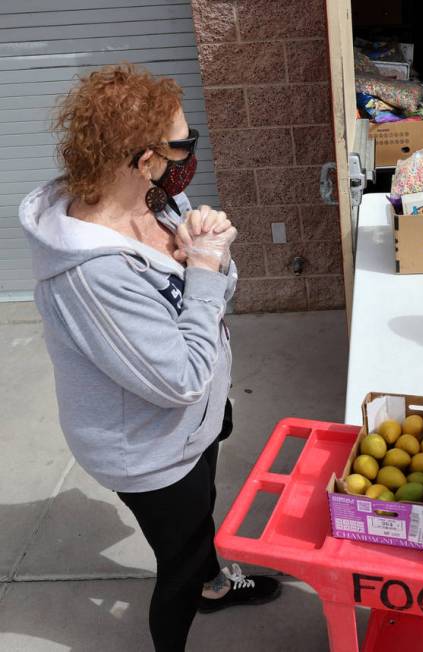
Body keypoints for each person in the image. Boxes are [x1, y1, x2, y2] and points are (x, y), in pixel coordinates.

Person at [19, 64, 280, 651]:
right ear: (142, 159)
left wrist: (210, 255)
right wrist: (207, 268)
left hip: (191, 426)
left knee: (202, 513)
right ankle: (187, 613)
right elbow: (181, 378)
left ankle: (214, 584)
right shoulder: (91, 274)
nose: (190, 155)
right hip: (147, 448)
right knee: (180, 564)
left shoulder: (159, 201)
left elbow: (210, 300)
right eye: (183, 144)